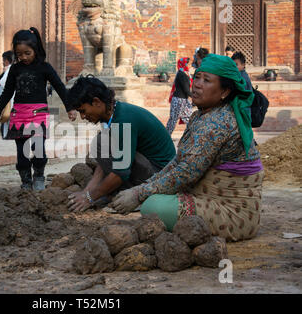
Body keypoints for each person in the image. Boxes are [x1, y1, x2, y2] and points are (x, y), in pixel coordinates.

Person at [112, 54, 263, 242]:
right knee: (152, 199)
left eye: (206, 80)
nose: (197, 84)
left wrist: (139, 194)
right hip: (207, 196)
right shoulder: (200, 116)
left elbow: (186, 172)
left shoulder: (217, 122)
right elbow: (178, 162)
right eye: (197, 77)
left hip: (232, 213)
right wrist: (143, 188)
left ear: (224, 91)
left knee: (153, 207)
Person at [0, 27, 77, 190]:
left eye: (27, 53)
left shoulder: (44, 67)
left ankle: (38, 176)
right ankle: (26, 181)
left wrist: (70, 107)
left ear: (35, 50)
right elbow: (7, 92)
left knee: (38, 149)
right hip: (19, 114)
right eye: (19, 54)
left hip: (38, 114)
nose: (24, 57)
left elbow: (60, 87)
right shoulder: (15, 69)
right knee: (22, 153)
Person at [66, 75, 176, 212]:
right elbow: (103, 164)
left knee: (103, 143)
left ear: (96, 102)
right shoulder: (112, 114)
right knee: (102, 141)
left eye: (83, 111)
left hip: (161, 175)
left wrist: (89, 198)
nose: (82, 117)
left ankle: (132, 195)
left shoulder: (123, 120)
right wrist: (87, 192)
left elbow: (120, 173)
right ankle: (115, 191)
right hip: (147, 166)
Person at [165, 57, 192, 135]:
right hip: (179, 100)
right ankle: (166, 136)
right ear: (184, 64)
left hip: (184, 100)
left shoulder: (186, 73)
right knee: (173, 120)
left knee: (188, 118)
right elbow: (186, 89)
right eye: (188, 64)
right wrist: (194, 97)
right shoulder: (181, 74)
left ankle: (192, 136)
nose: (190, 65)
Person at [0, 50, 15, 139]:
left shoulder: (9, 70)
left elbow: (3, 84)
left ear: (6, 60)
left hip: (8, 101)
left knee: (7, 123)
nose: (3, 62)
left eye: (3, 60)